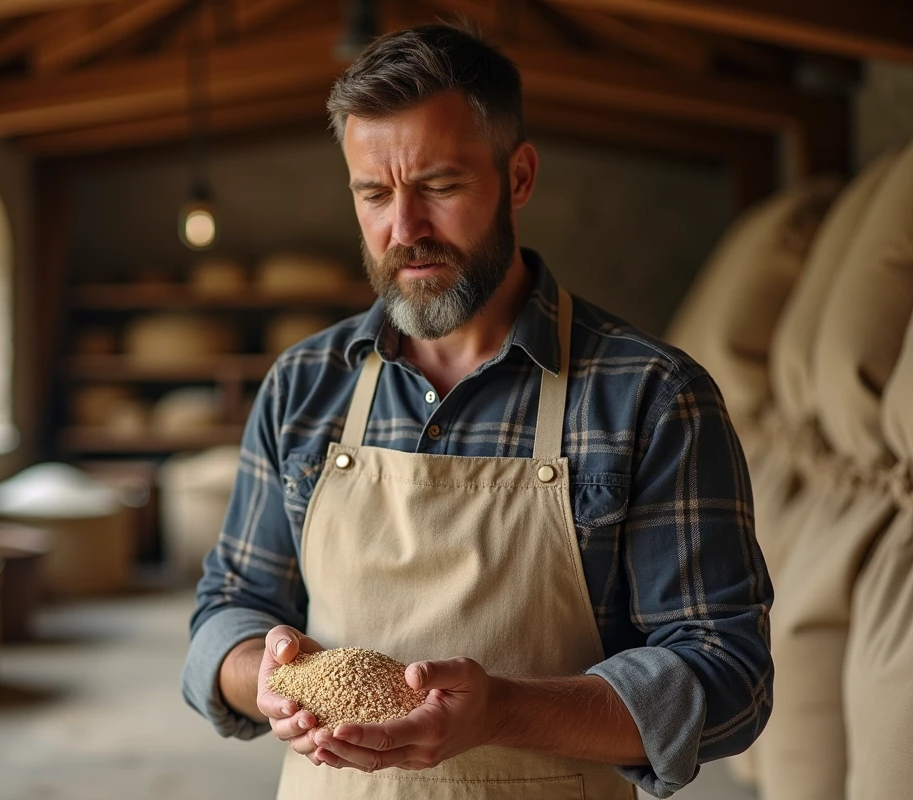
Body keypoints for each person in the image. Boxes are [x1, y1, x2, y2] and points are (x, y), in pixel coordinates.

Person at [181, 23, 773, 800]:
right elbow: (230, 606)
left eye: (439, 185)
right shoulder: (303, 384)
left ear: (518, 176)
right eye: (373, 193)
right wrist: (265, 677)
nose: (404, 229)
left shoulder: (653, 396)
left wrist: (502, 710)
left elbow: (726, 674)